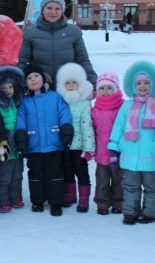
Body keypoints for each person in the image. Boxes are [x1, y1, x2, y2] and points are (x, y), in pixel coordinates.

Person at [108, 61, 155, 225]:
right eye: (139, 83)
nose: (142, 86)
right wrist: (113, 149)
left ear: (152, 84)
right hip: (130, 156)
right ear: (133, 85)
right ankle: (130, 212)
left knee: (152, 187)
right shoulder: (127, 106)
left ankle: (150, 213)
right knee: (130, 186)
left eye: (146, 83)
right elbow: (118, 128)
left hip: (151, 157)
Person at [15, 63, 73, 216]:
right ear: (25, 82)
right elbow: (21, 121)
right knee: (35, 174)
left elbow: (64, 114)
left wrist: (66, 132)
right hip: (34, 146)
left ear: (43, 78)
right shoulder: (24, 102)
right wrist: (21, 139)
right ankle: (38, 201)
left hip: (54, 144)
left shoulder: (54, 97)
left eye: (36, 76)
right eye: (29, 78)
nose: (33, 80)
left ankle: (55, 202)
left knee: (55, 174)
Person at [18, 0, 97, 90]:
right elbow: (23, 62)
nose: (53, 12)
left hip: (68, 88)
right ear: (42, 9)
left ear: (62, 11)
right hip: (41, 89)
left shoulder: (73, 32)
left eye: (57, 8)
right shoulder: (30, 33)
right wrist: (19, 84)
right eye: (49, 8)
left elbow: (83, 60)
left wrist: (93, 83)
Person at [56, 62, 95, 213]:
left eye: (74, 82)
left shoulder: (84, 103)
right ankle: (70, 194)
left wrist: (88, 148)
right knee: (67, 169)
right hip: (65, 144)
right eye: (67, 83)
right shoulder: (61, 101)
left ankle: (84, 199)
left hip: (79, 145)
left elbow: (86, 125)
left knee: (81, 170)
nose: (71, 85)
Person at [0, 65, 27, 213]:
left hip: (16, 145)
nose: (8, 90)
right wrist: (1, 141)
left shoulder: (16, 103)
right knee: (3, 175)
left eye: (11, 86)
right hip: (2, 145)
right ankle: (2, 200)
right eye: (4, 87)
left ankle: (16, 197)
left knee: (17, 173)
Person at [90, 72, 125, 215]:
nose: (105, 91)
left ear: (116, 89)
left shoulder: (122, 108)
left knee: (119, 179)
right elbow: (91, 130)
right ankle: (102, 203)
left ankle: (118, 202)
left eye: (109, 88)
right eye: (101, 88)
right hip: (102, 153)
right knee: (102, 180)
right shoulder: (95, 110)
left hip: (119, 153)